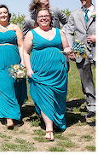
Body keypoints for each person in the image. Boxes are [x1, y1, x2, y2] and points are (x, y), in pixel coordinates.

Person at [24, 8, 73, 141]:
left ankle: (56, 120)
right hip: (40, 72)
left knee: (57, 99)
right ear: (36, 19)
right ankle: (49, 128)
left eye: (46, 16)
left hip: (58, 73)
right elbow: (25, 52)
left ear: (51, 18)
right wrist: (29, 69)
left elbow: (66, 47)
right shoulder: (31, 33)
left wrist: (69, 50)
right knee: (45, 98)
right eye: (40, 16)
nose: (43, 18)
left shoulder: (59, 32)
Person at [63, 0, 96, 118]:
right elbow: (69, 31)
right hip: (81, 52)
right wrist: (70, 48)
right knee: (86, 81)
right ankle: (92, 107)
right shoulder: (74, 14)